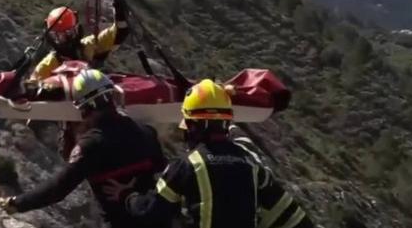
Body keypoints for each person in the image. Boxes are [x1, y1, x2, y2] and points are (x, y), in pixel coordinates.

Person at [104, 79, 314, 228]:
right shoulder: (252, 165)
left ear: (194, 125)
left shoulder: (186, 167)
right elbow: (292, 218)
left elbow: (148, 212)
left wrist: (126, 195)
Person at [0, 69, 170, 228]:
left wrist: (17, 203)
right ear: (112, 98)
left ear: (85, 109)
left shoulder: (92, 145)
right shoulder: (146, 132)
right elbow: (164, 176)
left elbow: (58, 188)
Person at [29, 0, 129, 81]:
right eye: (58, 35)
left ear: (76, 29)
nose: (65, 38)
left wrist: (118, 4)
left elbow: (120, 32)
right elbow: (31, 88)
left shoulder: (89, 45)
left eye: (69, 32)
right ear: (51, 36)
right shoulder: (48, 65)